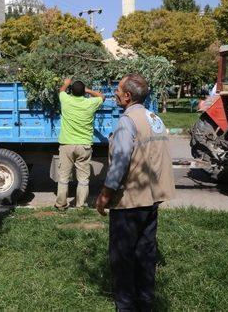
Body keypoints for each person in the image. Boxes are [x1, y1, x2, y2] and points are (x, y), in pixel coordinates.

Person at [95, 73, 176, 312]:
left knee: (122, 258)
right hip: (151, 199)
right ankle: (145, 302)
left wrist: (105, 196)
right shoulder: (154, 118)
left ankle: (126, 306)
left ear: (128, 96)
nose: (115, 94)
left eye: (118, 90)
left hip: (129, 203)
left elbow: (119, 162)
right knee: (145, 253)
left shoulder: (127, 121)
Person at [55, 78, 105, 210]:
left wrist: (66, 83)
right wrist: (88, 90)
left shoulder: (66, 100)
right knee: (83, 179)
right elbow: (102, 97)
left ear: (71, 91)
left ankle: (61, 204)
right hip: (84, 145)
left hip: (67, 145)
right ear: (84, 92)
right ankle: (81, 206)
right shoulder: (90, 103)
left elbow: (61, 90)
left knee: (64, 177)